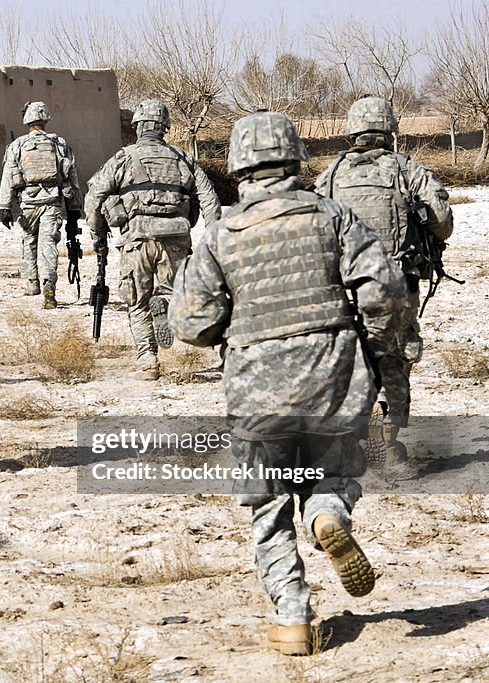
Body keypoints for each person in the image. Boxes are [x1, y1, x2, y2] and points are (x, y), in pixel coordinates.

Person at [170, 111, 405, 656]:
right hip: (334, 371)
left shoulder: (221, 233)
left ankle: (293, 615)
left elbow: (190, 325)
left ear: (239, 167)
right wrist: (368, 343)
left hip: (255, 384)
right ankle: (328, 512)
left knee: (268, 501)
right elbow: (384, 292)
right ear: (296, 159)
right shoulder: (335, 217)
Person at [314, 96, 454, 465]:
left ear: (352, 132)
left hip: (344, 286)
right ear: (389, 130)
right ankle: (389, 445)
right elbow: (442, 218)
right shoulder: (406, 169)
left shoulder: (331, 175)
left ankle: (346, 441)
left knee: (346, 357)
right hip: (394, 283)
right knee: (395, 356)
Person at [84, 99, 221, 379]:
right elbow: (209, 198)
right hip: (176, 238)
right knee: (173, 292)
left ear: (137, 127)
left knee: (136, 300)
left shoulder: (122, 158)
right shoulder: (183, 158)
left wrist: (98, 235)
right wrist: (213, 237)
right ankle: (165, 309)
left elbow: (94, 197)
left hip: (137, 238)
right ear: (165, 127)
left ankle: (147, 360)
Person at [0, 101, 81, 309]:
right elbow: (72, 177)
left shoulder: (17, 145)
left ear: (27, 120)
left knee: (29, 242)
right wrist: (74, 209)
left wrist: (5, 207)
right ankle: (49, 285)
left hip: (28, 203)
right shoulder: (59, 144)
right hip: (52, 203)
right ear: (45, 118)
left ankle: (32, 283)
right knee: (48, 245)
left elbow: (8, 177)